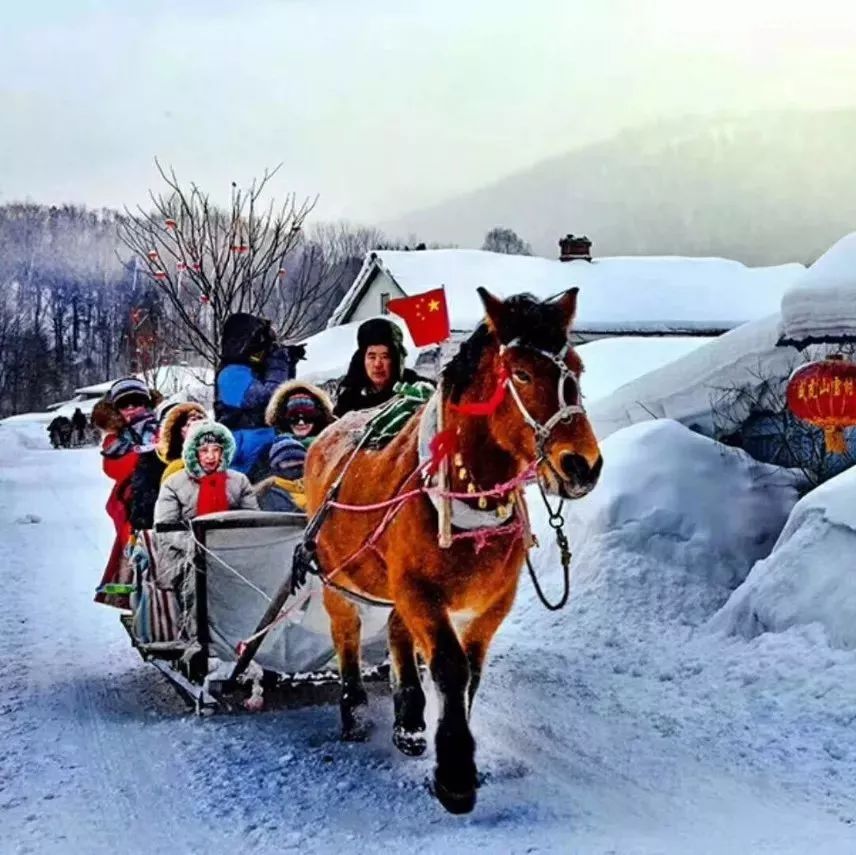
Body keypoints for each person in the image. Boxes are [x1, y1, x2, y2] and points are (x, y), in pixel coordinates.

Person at [154, 421, 259, 591]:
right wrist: (201, 546)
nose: (211, 457)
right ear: (193, 453)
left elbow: (253, 520)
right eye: (204, 451)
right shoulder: (173, 484)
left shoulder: (239, 481)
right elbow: (166, 529)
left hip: (232, 555)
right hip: (185, 559)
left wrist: (232, 544)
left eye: (216, 450)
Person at [93, 378, 158, 608]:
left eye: (136, 402)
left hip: (162, 495)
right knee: (134, 554)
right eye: (125, 405)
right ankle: (132, 600)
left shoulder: (162, 428)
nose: (131, 409)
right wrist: (146, 455)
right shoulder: (116, 440)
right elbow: (113, 468)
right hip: (133, 504)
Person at [214, 313, 303, 480]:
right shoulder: (230, 374)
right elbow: (269, 396)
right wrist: (278, 364)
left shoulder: (257, 370)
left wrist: (289, 364)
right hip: (245, 459)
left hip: (267, 448)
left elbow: (284, 395)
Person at [333, 317, 424, 417]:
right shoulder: (348, 399)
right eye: (372, 357)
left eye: (385, 357)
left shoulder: (417, 390)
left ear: (396, 360)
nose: (377, 364)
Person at [264, 380, 335, 445]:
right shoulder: (268, 448)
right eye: (294, 417)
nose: (301, 422)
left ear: (318, 417)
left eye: (308, 417)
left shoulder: (334, 445)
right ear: (284, 418)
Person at [155, 401, 208, 484]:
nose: (199, 426)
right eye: (191, 423)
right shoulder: (176, 469)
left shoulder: (223, 458)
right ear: (179, 433)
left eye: (201, 420)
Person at [254, 435, 308, 512]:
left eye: (299, 459)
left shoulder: (318, 486)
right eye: (288, 461)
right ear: (276, 466)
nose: (294, 464)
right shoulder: (268, 492)